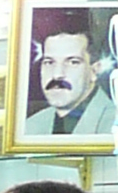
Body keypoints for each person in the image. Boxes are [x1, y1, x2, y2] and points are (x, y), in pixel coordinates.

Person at [21, 9, 118, 142]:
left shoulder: (112, 123)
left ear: (94, 71)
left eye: (73, 62)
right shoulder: (31, 127)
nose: (57, 74)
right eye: (49, 62)